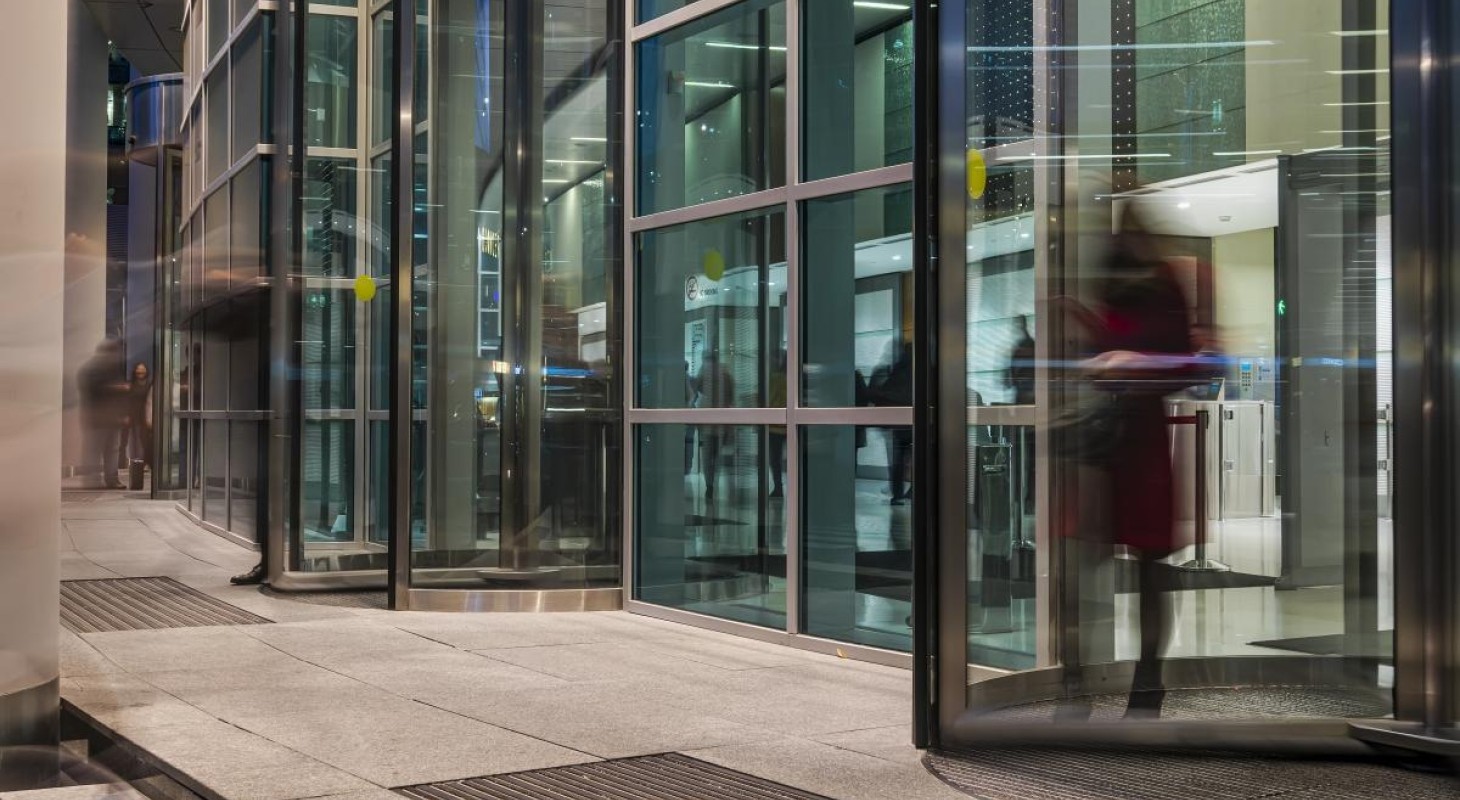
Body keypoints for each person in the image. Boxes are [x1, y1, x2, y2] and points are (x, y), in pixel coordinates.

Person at [1067, 204, 1202, 718]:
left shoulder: (1162, 282)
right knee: (1090, 557)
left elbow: (1189, 362)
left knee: (1148, 564)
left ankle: (1147, 682)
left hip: (1139, 436)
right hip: (1105, 437)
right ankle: (1080, 676)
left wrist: (1135, 366)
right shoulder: (1106, 281)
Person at [77, 339, 128, 489]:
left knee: (110, 450)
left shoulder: (109, 369)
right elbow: (95, 391)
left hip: (109, 418)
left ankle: (110, 479)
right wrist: (116, 388)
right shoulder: (92, 369)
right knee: (96, 450)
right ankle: (94, 480)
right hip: (97, 418)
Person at [870, 341, 914, 505]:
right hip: (912, 423)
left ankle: (898, 494)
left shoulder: (895, 370)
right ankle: (909, 491)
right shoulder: (914, 369)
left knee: (898, 461)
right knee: (913, 459)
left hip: (898, 423)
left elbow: (881, 393)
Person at [692, 350, 735, 502]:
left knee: (706, 457)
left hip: (708, 423)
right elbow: (731, 396)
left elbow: (696, 387)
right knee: (716, 457)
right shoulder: (726, 372)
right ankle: (712, 482)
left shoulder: (704, 370)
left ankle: (709, 485)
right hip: (721, 423)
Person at [124, 362, 154, 473]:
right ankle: (135, 462)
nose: (140, 372)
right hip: (133, 416)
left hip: (145, 417)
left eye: (142, 370)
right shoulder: (131, 385)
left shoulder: (149, 385)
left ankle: (143, 462)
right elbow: (127, 401)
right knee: (134, 440)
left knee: (144, 441)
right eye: (138, 369)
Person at [767, 351, 787, 498]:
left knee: (775, 459)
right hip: (793, 425)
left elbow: (771, 399)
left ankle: (778, 487)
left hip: (776, 426)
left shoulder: (775, 378)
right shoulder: (795, 378)